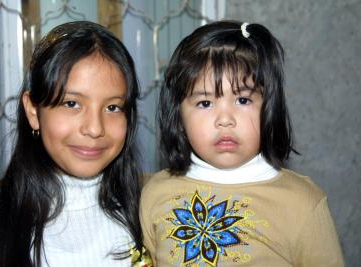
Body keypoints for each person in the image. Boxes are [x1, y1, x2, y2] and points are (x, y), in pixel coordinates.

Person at [140, 20, 344, 266]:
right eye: (205, 103)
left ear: (269, 107)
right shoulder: (155, 192)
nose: (225, 120)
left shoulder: (303, 203)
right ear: (179, 116)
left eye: (243, 100)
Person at [0, 21, 151, 267]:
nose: (94, 128)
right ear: (32, 110)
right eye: (71, 103)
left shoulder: (149, 211)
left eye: (113, 107)